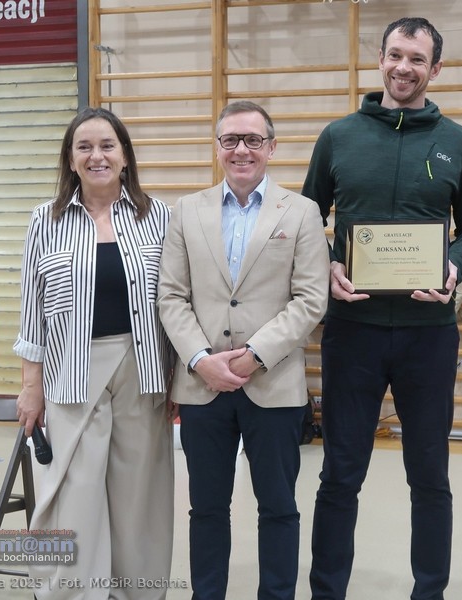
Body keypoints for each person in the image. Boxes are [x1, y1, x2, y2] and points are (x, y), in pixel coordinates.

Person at [303, 17, 462, 600]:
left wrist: (454, 265)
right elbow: (307, 218)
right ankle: (327, 591)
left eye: (417, 59)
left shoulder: (458, 143)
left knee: (429, 476)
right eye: (395, 55)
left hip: (428, 335)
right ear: (380, 59)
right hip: (351, 331)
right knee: (340, 473)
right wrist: (328, 263)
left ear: (436, 69)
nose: (403, 68)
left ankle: (429, 591)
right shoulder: (339, 137)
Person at [157, 100, 330, 600]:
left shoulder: (301, 212)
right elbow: (171, 296)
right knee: (206, 508)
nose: (241, 150)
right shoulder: (186, 211)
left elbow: (310, 299)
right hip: (202, 385)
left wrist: (254, 355)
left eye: (253, 140)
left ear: (271, 148)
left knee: (278, 507)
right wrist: (199, 359)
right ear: (217, 148)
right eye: (231, 139)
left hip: (272, 384)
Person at [14, 107, 174, 599]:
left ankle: (137, 592)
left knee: (138, 495)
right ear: (70, 158)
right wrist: (30, 387)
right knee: (76, 491)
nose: (96, 155)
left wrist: (182, 380)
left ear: (125, 156)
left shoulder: (159, 216)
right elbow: (32, 312)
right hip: (71, 373)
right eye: (84, 147)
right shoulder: (45, 219)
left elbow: (177, 302)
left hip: (144, 370)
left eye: (107, 145)